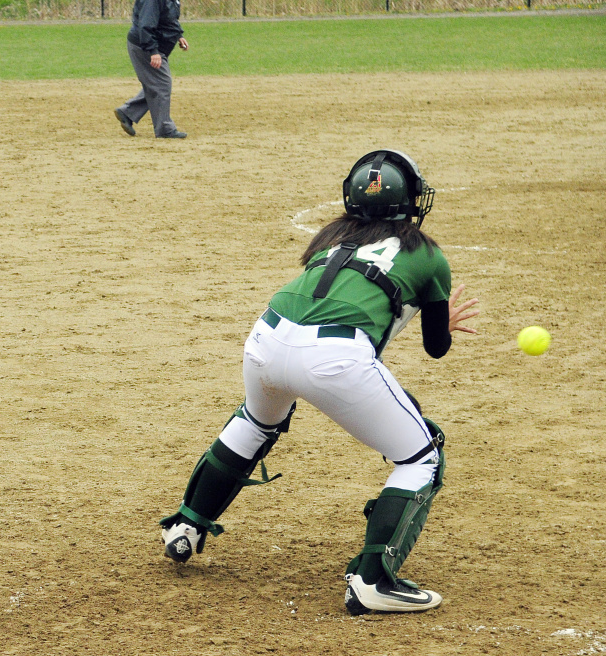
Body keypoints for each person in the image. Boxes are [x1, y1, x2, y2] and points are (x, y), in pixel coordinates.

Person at [158, 150, 480, 615]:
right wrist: (441, 321)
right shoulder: (427, 254)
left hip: (266, 338)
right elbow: (436, 347)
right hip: (335, 359)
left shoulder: (331, 238)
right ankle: (373, 581)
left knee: (255, 422)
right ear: (410, 200)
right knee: (422, 456)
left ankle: (186, 526)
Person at [114, 0, 189, 139]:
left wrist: (178, 35)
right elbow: (146, 24)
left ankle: (128, 112)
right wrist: (153, 51)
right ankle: (165, 129)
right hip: (144, 46)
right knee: (162, 83)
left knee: (155, 83)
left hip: (155, 45)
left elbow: (168, 18)